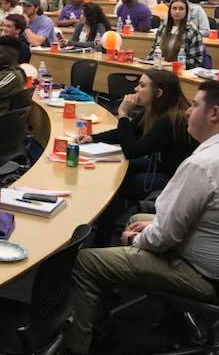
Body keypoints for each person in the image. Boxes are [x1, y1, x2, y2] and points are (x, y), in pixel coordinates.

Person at [44, 81, 219, 355]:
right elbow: (205, 218)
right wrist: (150, 227)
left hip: (204, 275)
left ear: (214, 113)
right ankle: (174, 318)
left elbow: (163, 239)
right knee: (143, 216)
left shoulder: (203, 165)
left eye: (195, 105)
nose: (189, 111)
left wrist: (137, 239)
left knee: (86, 261)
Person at [78, 70, 198, 246]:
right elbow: (125, 133)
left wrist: (123, 114)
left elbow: (131, 150)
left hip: (174, 178)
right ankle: (104, 222)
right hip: (161, 165)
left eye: (142, 86)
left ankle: (105, 230)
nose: (135, 89)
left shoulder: (170, 119)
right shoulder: (156, 110)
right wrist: (94, 138)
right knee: (116, 167)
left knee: (124, 180)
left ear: (158, 93)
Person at [147, 0, 206, 68]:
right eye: (174, 8)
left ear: (186, 12)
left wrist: (173, 64)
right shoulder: (162, 28)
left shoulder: (192, 31)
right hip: (160, 67)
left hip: (180, 70)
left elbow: (197, 60)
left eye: (181, 9)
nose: (177, 11)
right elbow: (153, 52)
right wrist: (147, 61)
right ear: (170, 11)